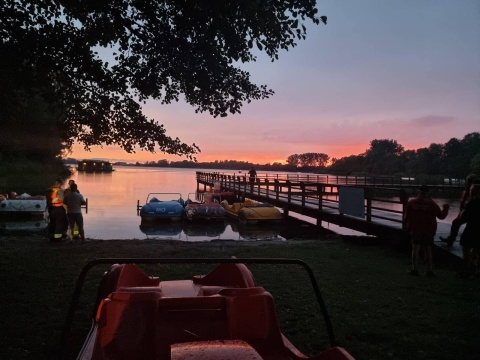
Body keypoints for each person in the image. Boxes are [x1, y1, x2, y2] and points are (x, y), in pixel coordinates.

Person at [404, 185, 449, 277]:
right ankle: (429, 270)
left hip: (416, 229)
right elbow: (441, 216)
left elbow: (406, 217)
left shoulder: (411, 202)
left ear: (419, 191)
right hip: (428, 230)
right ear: (428, 192)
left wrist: (407, 227)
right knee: (428, 249)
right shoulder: (432, 204)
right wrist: (445, 208)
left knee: (415, 248)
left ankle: (414, 269)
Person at [440, 174, 478, 247]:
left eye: (471, 181)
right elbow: (463, 202)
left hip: (473, 213)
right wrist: (460, 212)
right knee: (455, 223)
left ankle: (472, 246)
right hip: (465, 212)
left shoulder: (476, 191)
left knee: (468, 227)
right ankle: (451, 239)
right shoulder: (466, 191)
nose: (469, 182)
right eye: (468, 181)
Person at [456, 184, 480, 278]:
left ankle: (466, 270)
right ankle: (478, 271)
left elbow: (462, 217)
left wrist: (461, 214)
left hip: (471, 228)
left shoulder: (471, 203)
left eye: (471, 190)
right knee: (478, 251)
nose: (469, 191)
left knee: (465, 248)